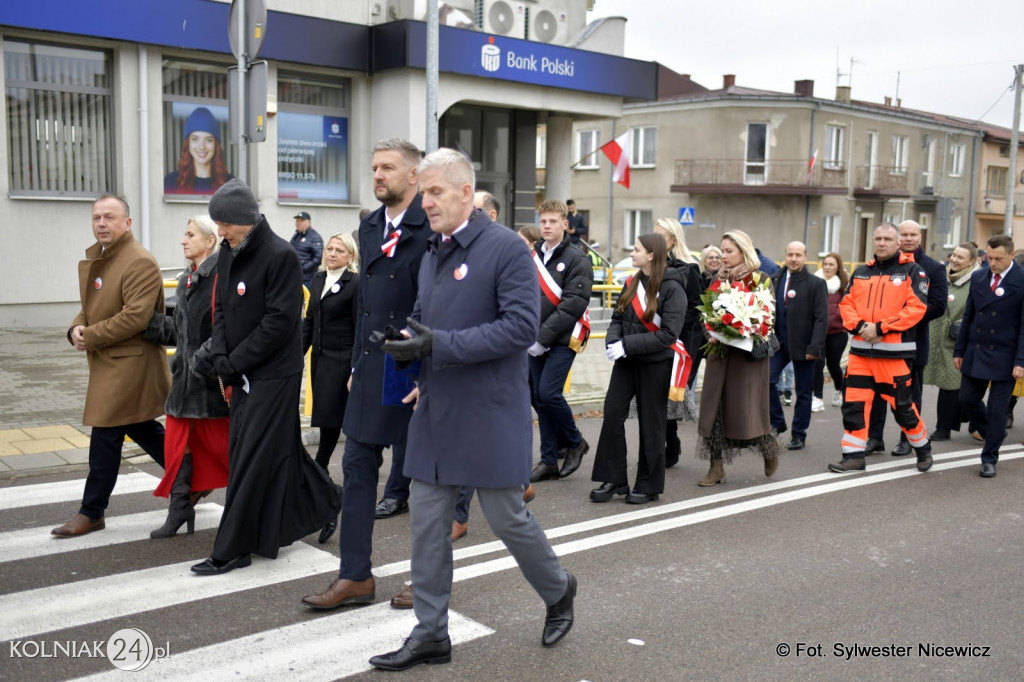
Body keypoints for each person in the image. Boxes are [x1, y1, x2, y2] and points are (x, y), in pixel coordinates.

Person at [368, 148, 577, 671]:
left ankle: (558, 589)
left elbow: (521, 329)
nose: (426, 202)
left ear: (466, 193)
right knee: (427, 522)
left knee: (507, 517)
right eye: (424, 193)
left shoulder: (506, 248)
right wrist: (404, 344)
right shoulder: (433, 251)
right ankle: (430, 634)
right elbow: (423, 319)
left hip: (490, 409)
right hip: (438, 408)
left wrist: (437, 345)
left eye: (436, 192)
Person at [301, 138, 430, 609]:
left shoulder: (431, 223)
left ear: (413, 175)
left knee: (425, 480)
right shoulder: (371, 226)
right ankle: (354, 575)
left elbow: (439, 304)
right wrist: (356, 363)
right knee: (356, 469)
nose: (377, 175)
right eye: (374, 167)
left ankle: (427, 579)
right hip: (373, 365)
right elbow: (364, 309)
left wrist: (430, 375)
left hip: (417, 367)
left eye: (387, 168)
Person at [190, 178, 341, 575]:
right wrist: (220, 355)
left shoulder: (281, 255)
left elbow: (279, 323)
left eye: (225, 223)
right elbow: (221, 309)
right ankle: (327, 499)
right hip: (240, 370)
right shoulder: (229, 251)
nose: (220, 231)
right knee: (273, 450)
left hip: (275, 374)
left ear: (244, 219)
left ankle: (233, 549)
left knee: (251, 456)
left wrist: (235, 361)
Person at [52, 195, 171, 538]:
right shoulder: (105, 256)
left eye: (109, 217)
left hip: (130, 364)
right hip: (113, 361)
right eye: (96, 217)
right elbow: (92, 307)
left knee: (105, 434)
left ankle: (92, 512)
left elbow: (135, 317)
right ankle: (190, 478)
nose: (101, 223)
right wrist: (76, 327)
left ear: (127, 223)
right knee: (142, 427)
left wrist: (89, 335)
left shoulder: (139, 261)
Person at [140, 215, 230, 539]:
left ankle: (289, 499)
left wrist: (200, 362)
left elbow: (226, 331)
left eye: (191, 234)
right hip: (183, 386)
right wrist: (145, 322)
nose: (183, 240)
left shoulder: (221, 276)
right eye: (184, 234)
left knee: (232, 453)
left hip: (210, 387)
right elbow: (180, 332)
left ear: (210, 241)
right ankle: (179, 508)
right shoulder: (187, 278)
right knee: (176, 447)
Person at [590, 233, 686, 504]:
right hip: (627, 362)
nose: (631, 254)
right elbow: (617, 318)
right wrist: (613, 342)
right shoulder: (632, 282)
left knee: (651, 424)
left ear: (651, 255)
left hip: (655, 363)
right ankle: (614, 478)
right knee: (612, 415)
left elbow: (668, 334)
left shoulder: (672, 287)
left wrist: (627, 344)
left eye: (636, 250)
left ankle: (649, 484)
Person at [828, 223, 932, 474]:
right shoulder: (861, 272)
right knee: (853, 407)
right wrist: (861, 327)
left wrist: (880, 328)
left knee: (903, 409)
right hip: (860, 355)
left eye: (887, 239)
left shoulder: (913, 271)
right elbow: (846, 305)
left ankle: (923, 449)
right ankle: (853, 457)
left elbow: (915, 309)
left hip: (893, 358)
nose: (882, 243)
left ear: (898, 243)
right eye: (878, 238)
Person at [696, 230, 780, 486]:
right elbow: (706, 312)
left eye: (729, 251)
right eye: (722, 250)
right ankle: (716, 467)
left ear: (744, 252)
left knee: (747, 411)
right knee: (713, 409)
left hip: (747, 357)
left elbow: (768, 317)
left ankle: (769, 448)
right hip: (720, 354)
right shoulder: (717, 278)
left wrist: (743, 329)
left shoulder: (759, 279)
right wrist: (710, 333)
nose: (723, 256)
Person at [865, 220, 947, 457]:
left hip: (913, 341)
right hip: (879, 340)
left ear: (920, 237)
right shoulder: (882, 265)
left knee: (908, 396)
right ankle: (874, 438)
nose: (909, 238)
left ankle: (908, 439)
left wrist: (901, 319)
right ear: (897, 237)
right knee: (877, 392)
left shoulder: (933, 268)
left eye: (913, 234)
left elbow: (938, 306)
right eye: (904, 234)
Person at [527, 198, 593, 483]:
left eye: (553, 221)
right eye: (543, 221)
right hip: (534, 338)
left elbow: (572, 305)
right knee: (538, 399)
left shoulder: (578, 259)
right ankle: (549, 460)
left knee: (549, 393)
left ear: (565, 224)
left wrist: (542, 338)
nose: (547, 226)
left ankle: (576, 442)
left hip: (564, 337)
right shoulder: (533, 256)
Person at [301, 232, 359, 544]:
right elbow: (310, 322)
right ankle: (324, 483)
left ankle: (323, 483)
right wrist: (295, 357)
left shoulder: (354, 283)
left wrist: (355, 368)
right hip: (320, 363)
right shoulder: (317, 278)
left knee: (330, 425)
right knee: (327, 421)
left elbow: (359, 328)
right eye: (330, 249)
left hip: (342, 363)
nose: (332, 253)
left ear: (350, 256)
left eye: (339, 250)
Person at [954, 234, 1024, 478]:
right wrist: (960, 350)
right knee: (966, 399)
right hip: (977, 349)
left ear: (1012, 255)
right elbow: (969, 316)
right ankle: (994, 432)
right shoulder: (979, 276)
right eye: (989, 257)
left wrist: (1021, 361)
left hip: (1006, 354)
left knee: (997, 410)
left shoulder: (1022, 279)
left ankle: (989, 457)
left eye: (998, 259)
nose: (992, 263)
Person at [768, 242, 828, 451]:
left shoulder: (816, 284)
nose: (793, 259)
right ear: (785, 255)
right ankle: (777, 422)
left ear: (806, 256)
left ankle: (799, 434)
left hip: (804, 345)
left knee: (803, 392)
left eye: (798, 255)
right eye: (790, 254)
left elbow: (822, 319)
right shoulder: (775, 279)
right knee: (766, 381)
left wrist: (814, 347)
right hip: (778, 343)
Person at [653, 217, 702, 466]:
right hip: (652, 339)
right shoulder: (651, 265)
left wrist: (672, 335)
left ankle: (671, 444)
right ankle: (659, 445)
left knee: (670, 396)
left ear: (673, 240)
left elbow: (694, 308)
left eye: (660, 236)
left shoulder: (689, 268)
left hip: (679, 342)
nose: (655, 240)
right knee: (655, 396)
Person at [924, 242, 979, 441]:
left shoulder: (977, 281)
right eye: (954, 255)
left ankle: (946, 427)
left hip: (960, 340)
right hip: (936, 336)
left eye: (960, 257)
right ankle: (958, 422)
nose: (954, 260)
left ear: (972, 261)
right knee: (948, 383)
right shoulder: (941, 276)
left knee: (952, 383)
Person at [164, 107, 232, 195]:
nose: (202, 147)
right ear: (188, 143)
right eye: (195, 139)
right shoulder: (170, 183)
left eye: (209, 140)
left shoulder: (231, 185)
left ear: (216, 145)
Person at [813, 252, 850, 408]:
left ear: (837, 267)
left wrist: (841, 317)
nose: (827, 267)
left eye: (831, 265)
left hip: (837, 332)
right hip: (818, 332)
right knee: (817, 364)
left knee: (833, 365)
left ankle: (839, 390)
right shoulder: (815, 282)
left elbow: (849, 306)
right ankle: (818, 398)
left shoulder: (844, 285)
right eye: (825, 264)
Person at [290, 211, 324, 288]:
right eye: (297, 221)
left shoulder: (314, 237)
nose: (298, 223)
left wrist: (303, 268)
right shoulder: (297, 235)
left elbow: (318, 258)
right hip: (295, 276)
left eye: (301, 220)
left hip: (307, 279)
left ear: (309, 222)